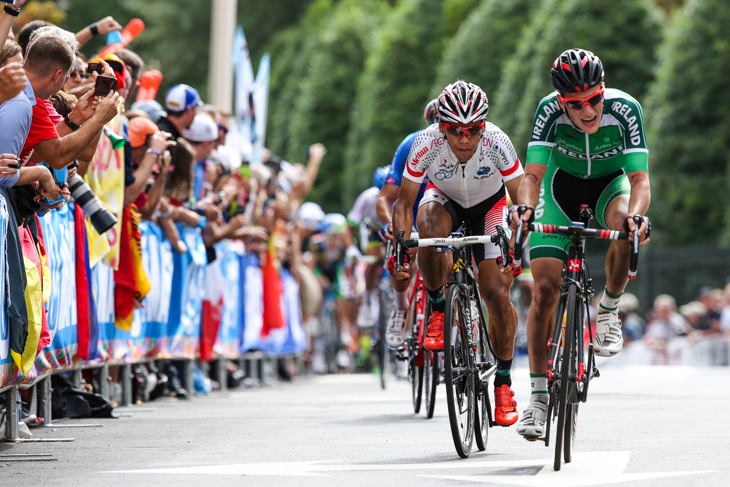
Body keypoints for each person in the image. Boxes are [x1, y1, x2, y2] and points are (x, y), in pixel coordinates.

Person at [511, 48, 651, 440]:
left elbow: (640, 179)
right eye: (576, 105)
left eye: (594, 100)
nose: (588, 111)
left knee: (626, 226)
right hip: (559, 190)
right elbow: (533, 174)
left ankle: (607, 309)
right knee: (543, 290)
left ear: (603, 90)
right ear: (562, 103)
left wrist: (638, 217)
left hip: (610, 186)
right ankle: (538, 400)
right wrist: (523, 209)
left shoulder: (625, 110)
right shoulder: (547, 112)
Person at [391, 80, 524, 426]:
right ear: (440, 127)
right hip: (445, 203)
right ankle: (437, 307)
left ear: (483, 126)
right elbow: (404, 203)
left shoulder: (497, 141)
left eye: (472, 131)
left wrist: (519, 243)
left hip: (490, 207)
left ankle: (505, 382)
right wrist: (400, 247)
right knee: (427, 220)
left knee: (496, 293)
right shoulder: (426, 144)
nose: (464, 140)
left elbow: (522, 201)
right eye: (455, 131)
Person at [377, 99, 438, 348]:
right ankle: (401, 307)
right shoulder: (411, 145)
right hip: (412, 214)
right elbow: (385, 198)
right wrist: (389, 224)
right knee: (406, 248)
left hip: (441, 213)